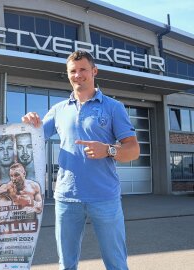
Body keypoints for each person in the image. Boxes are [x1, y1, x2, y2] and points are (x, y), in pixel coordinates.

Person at [22, 50, 140, 270]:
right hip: (66, 198)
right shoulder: (58, 110)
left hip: (104, 197)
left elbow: (133, 150)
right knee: (66, 264)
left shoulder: (113, 107)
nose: (78, 75)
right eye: (73, 71)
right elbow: (33, 139)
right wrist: (29, 124)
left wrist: (109, 150)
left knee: (116, 263)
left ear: (94, 71)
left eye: (83, 69)